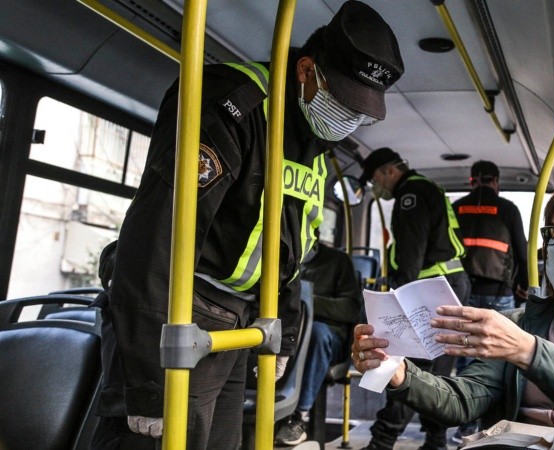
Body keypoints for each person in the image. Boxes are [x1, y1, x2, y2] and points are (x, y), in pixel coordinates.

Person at [91, 2, 404, 449]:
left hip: (237, 324)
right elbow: (156, 233)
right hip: (179, 312)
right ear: (305, 70)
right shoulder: (231, 105)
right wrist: (147, 378)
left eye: (361, 111)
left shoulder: (312, 144)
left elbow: (290, 248)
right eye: (342, 102)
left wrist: (286, 329)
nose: (349, 118)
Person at [352, 178, 554, 449]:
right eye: (553, 233)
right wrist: (400, 373)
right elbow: (464, 401)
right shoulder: (523, 322)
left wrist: (527, 351)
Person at [358, 147, 471, 450]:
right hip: (448, 286)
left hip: (428, 289)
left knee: (408, 368)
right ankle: (436, 441)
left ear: (388, 171)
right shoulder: (427, 188)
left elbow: (410, 254)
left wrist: (396, 299)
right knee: (439, 370)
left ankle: (382, 442)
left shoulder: (411, 196)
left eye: (374, 180)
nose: (375, 187)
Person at [449, 160, 528, 443]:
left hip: (463, 294)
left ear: (472, 181)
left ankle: (467, 426)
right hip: (500, 295)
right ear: (496, 182)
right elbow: (521, 249)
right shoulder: (508, 209)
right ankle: (496, 425)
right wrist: (525, 284)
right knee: (500, 357)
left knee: (468, 357)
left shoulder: (456, 207)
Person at [274, 241, 364, 446]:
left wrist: (306, 301)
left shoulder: (338, 262)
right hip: (288, 333)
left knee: (316, 333)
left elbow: (351, 308)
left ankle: (298, 417)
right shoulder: (278, 258)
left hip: (328, 337)